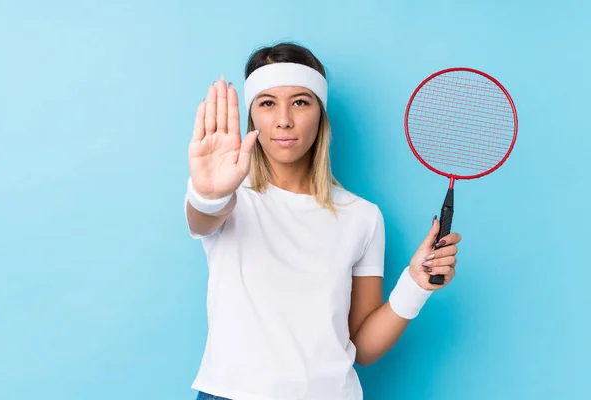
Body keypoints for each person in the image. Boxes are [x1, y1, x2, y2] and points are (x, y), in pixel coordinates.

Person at [184, 42, 461, 400]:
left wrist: (416, 284)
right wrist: (209, 195)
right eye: (267, 103)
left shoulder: (362, 216)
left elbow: (362, 346)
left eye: (300, 101)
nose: (283, 118)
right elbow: (203, 218)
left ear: (321, 113)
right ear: (252, 116)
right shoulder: (228, 197)